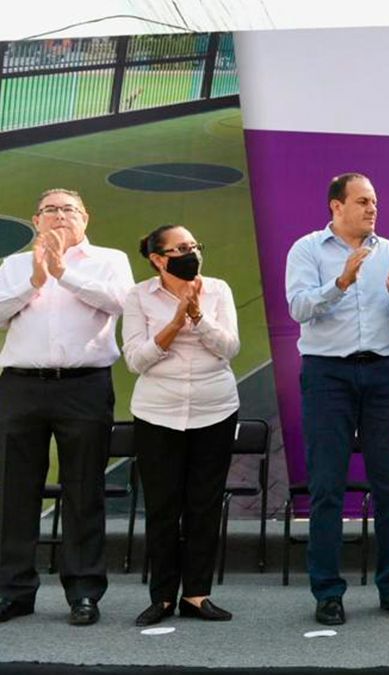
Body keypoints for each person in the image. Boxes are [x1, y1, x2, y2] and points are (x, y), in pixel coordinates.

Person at [285, 173, 389, 625]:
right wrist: (340, 282)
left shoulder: (388, 250)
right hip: (328, 374)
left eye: (375, 201)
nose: (372, 209)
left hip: (382, 372)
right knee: (327, 486)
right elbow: (299, 308)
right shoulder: (307, 250)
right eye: (362, 201)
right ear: (336, 206)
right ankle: (327, 592)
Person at [0, 189, 134, 625]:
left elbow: (121, 303)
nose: (60, 216)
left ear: (85, 218)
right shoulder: (15, 264)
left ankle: (84, 592)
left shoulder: (109, 260)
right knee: (14, 491)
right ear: (36, 219)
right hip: (21, 386)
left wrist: (64, 273)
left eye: (69, 209)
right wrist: (35, 280)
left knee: (83, 490)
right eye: (51, 210)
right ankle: (13, 590)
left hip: (84, 386)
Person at [122, 225, 240, 626]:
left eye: (194, 246)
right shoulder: (139, 296)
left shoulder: (218, 290)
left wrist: (198, 317)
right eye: (181, 249)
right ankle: (162, 597)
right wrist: (174, 323)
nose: (192, 254)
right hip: (158, 412)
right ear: (158, 259)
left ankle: (196, 594)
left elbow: (229, 348)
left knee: (204, 505)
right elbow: (136, 360)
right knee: (162, 507)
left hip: (214, 409)